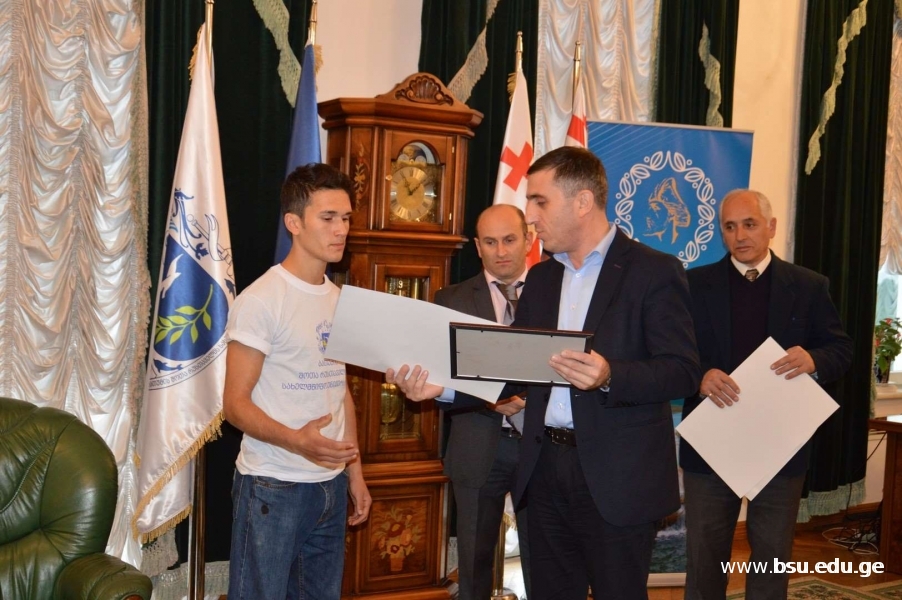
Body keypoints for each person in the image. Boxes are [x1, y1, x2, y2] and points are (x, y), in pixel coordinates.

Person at [389, 146, 701, 599]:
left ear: (583, 201)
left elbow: (683, 371)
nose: (531, 217)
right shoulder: (542, 278)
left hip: (617, 477)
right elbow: (514, 370)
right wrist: (444, 389)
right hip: (543, 470)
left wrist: (610, 375)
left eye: (540, 201)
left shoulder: (653, 271)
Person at [680, 189, 852, 600]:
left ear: (771, 227)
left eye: (750, 224)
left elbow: (841, 350)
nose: (740, 235)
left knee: (772, 556)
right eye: (729, 226)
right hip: (712, 442)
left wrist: (813, 359)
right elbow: (670, 354)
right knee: (705, 556)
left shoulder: (809, 286)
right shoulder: (691, 284)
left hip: (780, 445)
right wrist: (699, 376)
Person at [223, 163, 371, 600]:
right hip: (273, 484)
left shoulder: (340, 299)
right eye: (328, 218)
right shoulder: (261, 300)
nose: (341, 229)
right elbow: (234, 404)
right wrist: (296, 441)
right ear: (294, 222)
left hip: (331, 485)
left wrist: (355, 472)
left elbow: (339, 390)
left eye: (346, 218)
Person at [434, 203, 534, 600]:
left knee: (547, 561)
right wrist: (491, 400)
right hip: (476, 447)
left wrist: (528, 400)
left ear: (529, 239)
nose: (501, 251)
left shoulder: (558, 293)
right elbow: (441, 377)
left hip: (542, 449)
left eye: (509, 239)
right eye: (490, 242)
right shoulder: (450, 300)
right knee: (474, 565)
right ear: (477, 247)